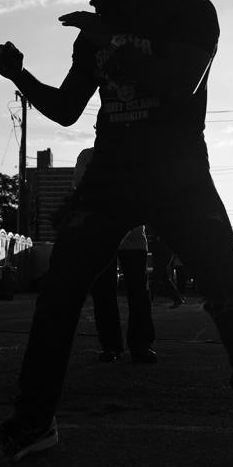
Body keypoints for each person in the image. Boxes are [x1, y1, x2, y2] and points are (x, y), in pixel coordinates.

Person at [0, 0, 233, 467]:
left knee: (226, 291)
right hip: (111, 173)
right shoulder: (92, 36)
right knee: (59, 293)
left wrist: (110, 39)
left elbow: (181, 82)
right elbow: (65, 109)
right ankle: (33, 420)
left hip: (177, 173)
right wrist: (20, 75)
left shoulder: (189, 12)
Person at [73, 148, 155, 364]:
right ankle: (112, 346)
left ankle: (140, 345)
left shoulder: (137, 155)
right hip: (103, 234)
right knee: (104, 292)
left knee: (138, 293)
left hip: (133, 236)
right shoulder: (88, 156)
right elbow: (80, 188)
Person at [150, 233, 187, 308]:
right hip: (163, 252)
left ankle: (148, 300)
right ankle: (177, 299)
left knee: (156, 278)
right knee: (164, 278)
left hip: (162, 253)